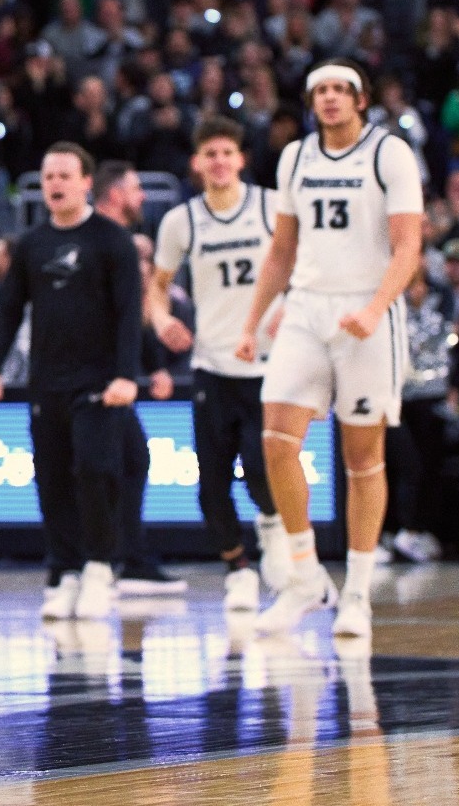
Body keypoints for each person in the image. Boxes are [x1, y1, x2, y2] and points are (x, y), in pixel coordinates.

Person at [236, 59, 424, 640]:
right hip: (306, 307)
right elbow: (280, 249)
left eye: (342, 89)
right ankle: (306, 576)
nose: (332, 98)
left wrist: (374, 309)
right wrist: (252, 322)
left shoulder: (387, 152)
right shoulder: (295, 155)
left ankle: (359, 593)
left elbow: (408, 244)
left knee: (362, 458)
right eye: (322, 90)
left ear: (362, 99)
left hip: (367, 309)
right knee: (274, 441)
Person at [0, 143, 143, 621]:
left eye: (65, 175)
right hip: (45, 381)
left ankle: (98, 566)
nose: (55, 184)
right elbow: (10, 310)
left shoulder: (112, 240)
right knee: (51, 477)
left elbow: (130, 313)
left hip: (98, 382)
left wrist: (126, 375)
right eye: (48, 176)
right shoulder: (31, 244)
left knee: (95, 470)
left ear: (87, 182)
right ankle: (64, 568)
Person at [148, 117, 289, 612]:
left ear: (241, 159)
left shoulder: (271, 207)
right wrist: (162, 320)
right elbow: (158, 286)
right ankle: (238, 571)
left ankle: (274, 527)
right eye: (210, 154)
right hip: (211, 364)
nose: (219, 162)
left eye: (227, 152)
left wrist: (291, 307)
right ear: (196, 163)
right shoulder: (180, 221)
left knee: (259, 465)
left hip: (270, 363)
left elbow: (305, 265)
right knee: (211, 485)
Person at [91, 159, 184, 596]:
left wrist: (155, 366)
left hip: (116, 376)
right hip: (89, 376)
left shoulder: (124, 245)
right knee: (101, 469)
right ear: (114, 194)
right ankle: (99, 561)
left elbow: (134, 316)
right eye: (134, 188)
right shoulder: (97, 242)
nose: (142, 196)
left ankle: (124, 559)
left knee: (130, 461)